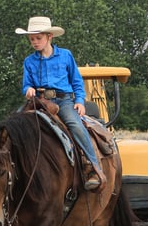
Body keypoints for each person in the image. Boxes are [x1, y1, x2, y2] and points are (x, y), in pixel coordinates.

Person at [15, 16, 106, 191]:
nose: (34, 42)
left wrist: (79, 101)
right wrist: (28, 90)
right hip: (40, 101)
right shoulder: (29, 61)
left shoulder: (65, 55)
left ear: (50, 37)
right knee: (16, 124)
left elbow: (77, 82)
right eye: (32, 39)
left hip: (63, 100)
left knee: (75, 125)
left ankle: (92, 166)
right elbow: (26, 85)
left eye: (38, 38)